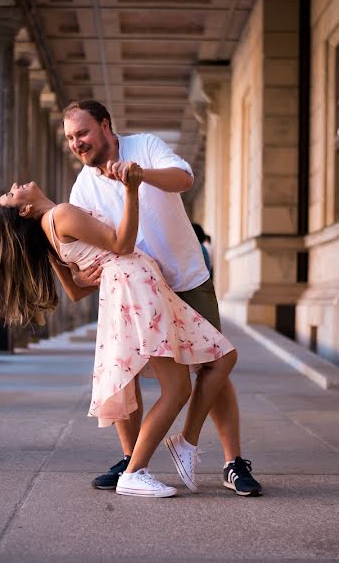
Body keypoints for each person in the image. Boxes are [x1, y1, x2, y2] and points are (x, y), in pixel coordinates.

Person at [0, 177, 238, 498]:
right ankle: (135, 471)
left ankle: (177, 446)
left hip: (133, 289)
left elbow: (75, 291)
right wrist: (131, 190)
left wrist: (92, 270)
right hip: (138, 288)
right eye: (11, 194)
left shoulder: (49, 238)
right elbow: (121, 244)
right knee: (177, 388)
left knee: (223, 356)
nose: (16, 185)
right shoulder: (60, 214)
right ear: (25, 210)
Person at [59, 99, 262, 497]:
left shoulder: (144, 146)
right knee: (125, 371)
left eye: (82, 133)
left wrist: (139, 176)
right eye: (69, 137)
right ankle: (133, 460)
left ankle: (231, 461)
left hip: (185, 277)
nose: (76, 143)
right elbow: (90, 246)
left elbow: (183, 179)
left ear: (105, 125)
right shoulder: (83, 186)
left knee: (212, 364)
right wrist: (81, 274)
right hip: (137, 292)